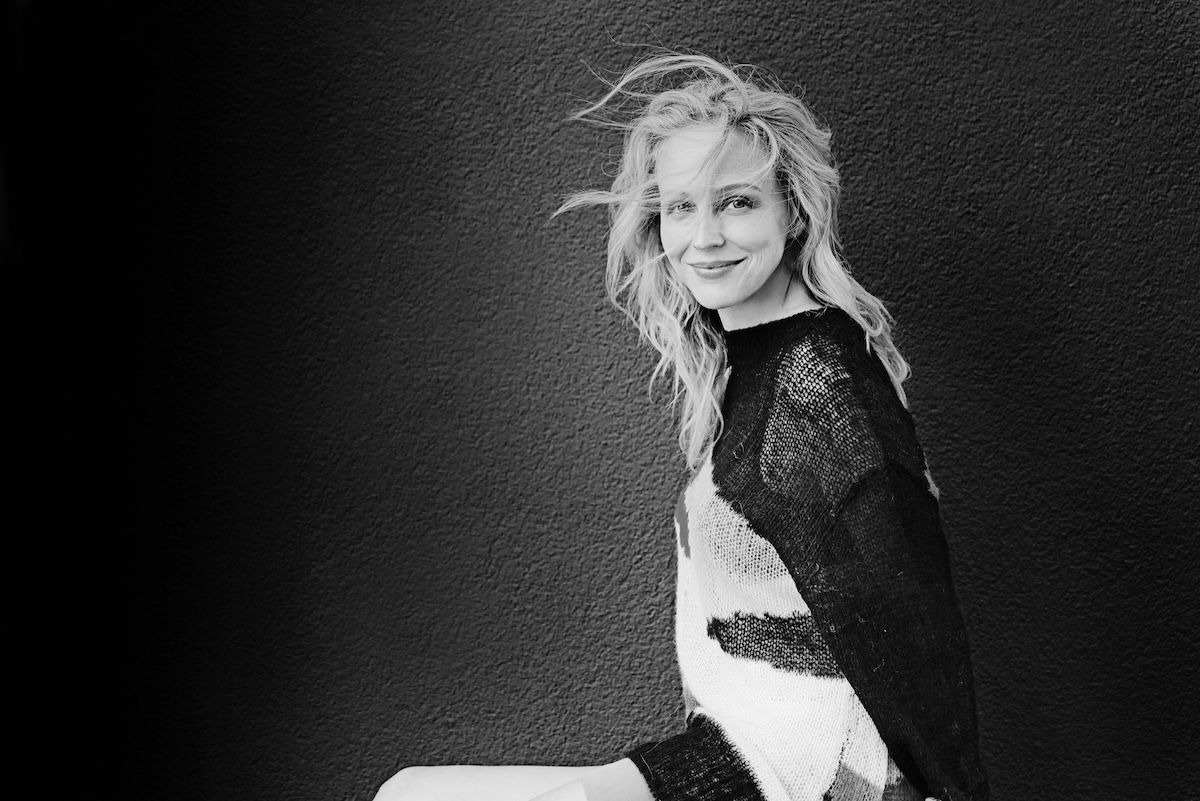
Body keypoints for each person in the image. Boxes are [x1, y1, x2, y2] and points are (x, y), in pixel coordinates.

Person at [376, 52, 989, 801]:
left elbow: (909, 615)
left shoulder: (817, 380)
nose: (704, 237)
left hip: (805, 762)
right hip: (742, 739)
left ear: (793, 212)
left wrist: (944, 788)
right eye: (680, 208)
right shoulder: (754, 366)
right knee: (410, 791)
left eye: (736, 202)